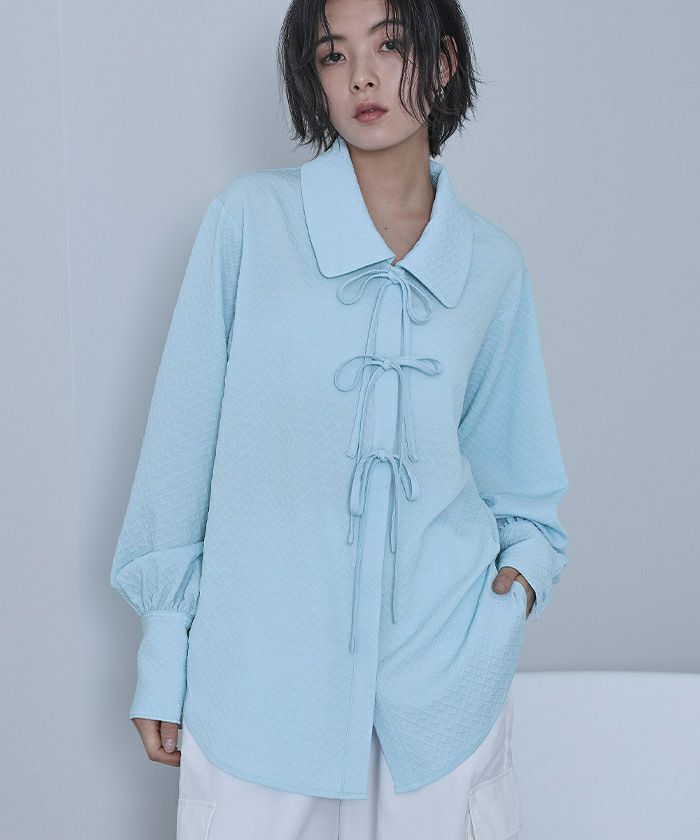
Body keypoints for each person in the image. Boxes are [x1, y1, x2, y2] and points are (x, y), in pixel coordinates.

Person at [110, 0, 570, 837]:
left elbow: (521, 480)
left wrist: (518, 585)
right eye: (333, 54)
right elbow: (178, 450)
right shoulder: (249, 221)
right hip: (257, 684)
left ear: (444, 63)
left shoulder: (493, 266)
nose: (362, 76)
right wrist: (164, 651)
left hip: (441, 691)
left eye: (391, 46)